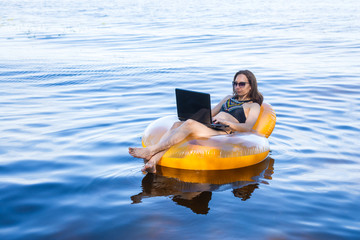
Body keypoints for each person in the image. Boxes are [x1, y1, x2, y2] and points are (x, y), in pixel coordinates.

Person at [129, 70, 264, 173]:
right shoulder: (228, 98)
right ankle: (153, 162)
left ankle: (150, 151)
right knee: (177, 124)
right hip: (212, 125)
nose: (237, 87)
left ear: (251, 86)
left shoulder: (253, 106)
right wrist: (194, 110)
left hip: (224, 131)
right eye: (235, 83)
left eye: (241, 84)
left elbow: (247, 127)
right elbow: (211, 113)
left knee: (189, 124)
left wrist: (227, 122)